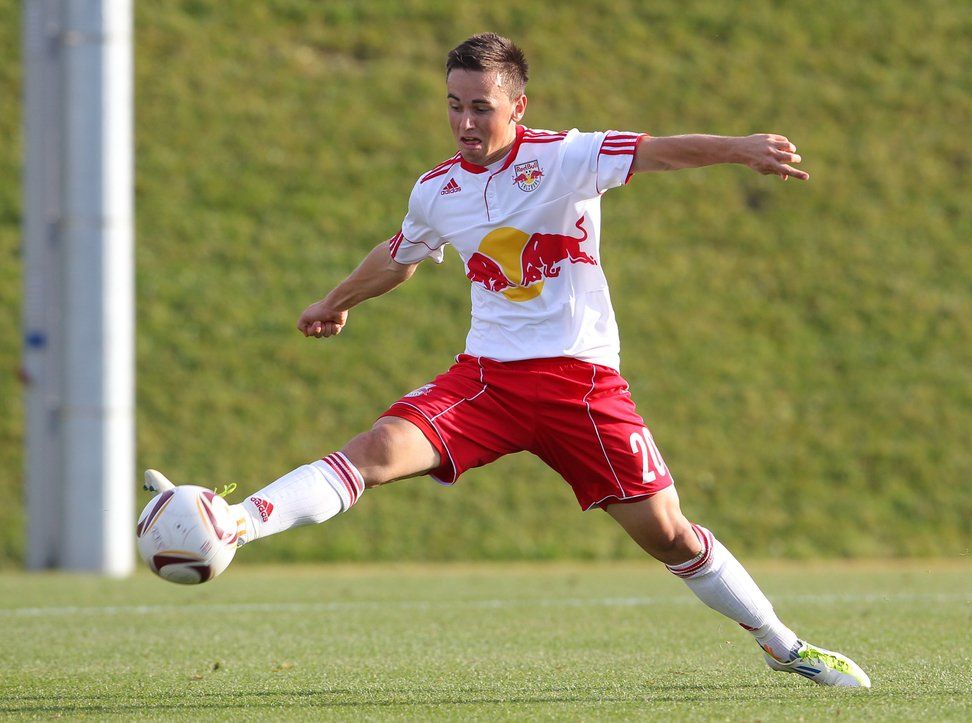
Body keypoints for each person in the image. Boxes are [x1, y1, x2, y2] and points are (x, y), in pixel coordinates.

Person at [148, 33, 869, 688]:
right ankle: (237, 521)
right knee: (378, 449)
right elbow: (401, 255)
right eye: (453, 105)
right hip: (486, 381)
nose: (465, 122)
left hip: (581, 383)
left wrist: (740, 147)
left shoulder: (565, 157)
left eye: (481, 108)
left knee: (670, 535)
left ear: (518, 106)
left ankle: (783, 644)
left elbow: (656, 152)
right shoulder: (437, 189)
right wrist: (335, 301)